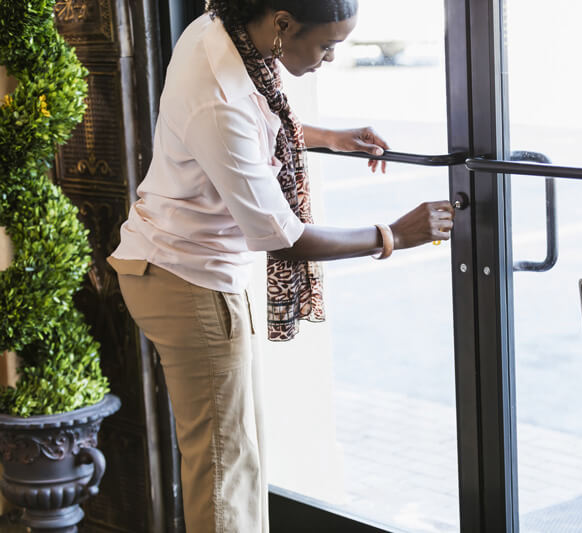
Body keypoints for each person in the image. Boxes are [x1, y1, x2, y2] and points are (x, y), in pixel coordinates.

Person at [106, 0, 454, 531]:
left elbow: (250, 133)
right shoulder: (220, 94)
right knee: (226, 471)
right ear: (283, 23)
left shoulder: (217, 28)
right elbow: (283, 238)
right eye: (326, 46)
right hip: (188, 284)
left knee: (233, 454)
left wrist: (325, 136)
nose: (330, 58)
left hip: (172, 268)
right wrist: (393, 236)